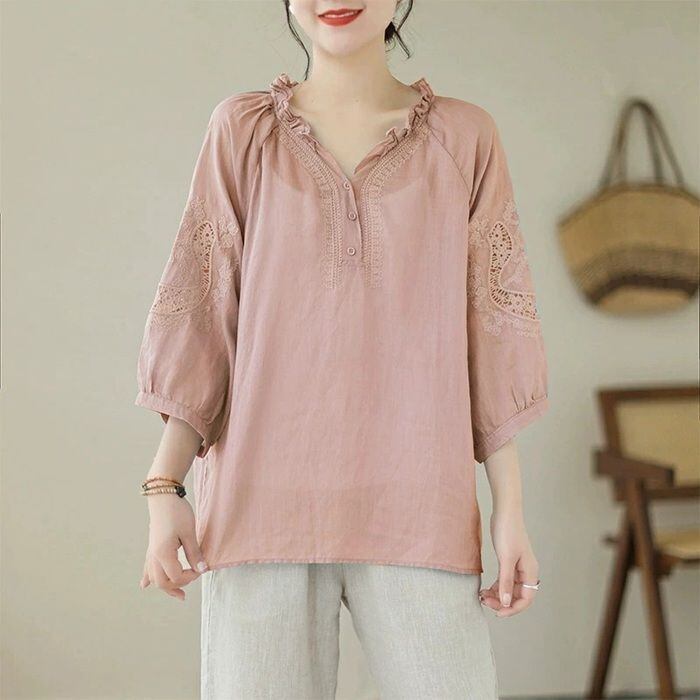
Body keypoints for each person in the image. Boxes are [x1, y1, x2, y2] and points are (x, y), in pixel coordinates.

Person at [135, 1, 549, 698]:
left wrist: (510, 510)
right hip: (259, 512)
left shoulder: (465, 138)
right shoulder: (242, 132)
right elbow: (203, 316)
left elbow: (493, 331)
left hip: (421, 507)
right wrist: (163, 487)